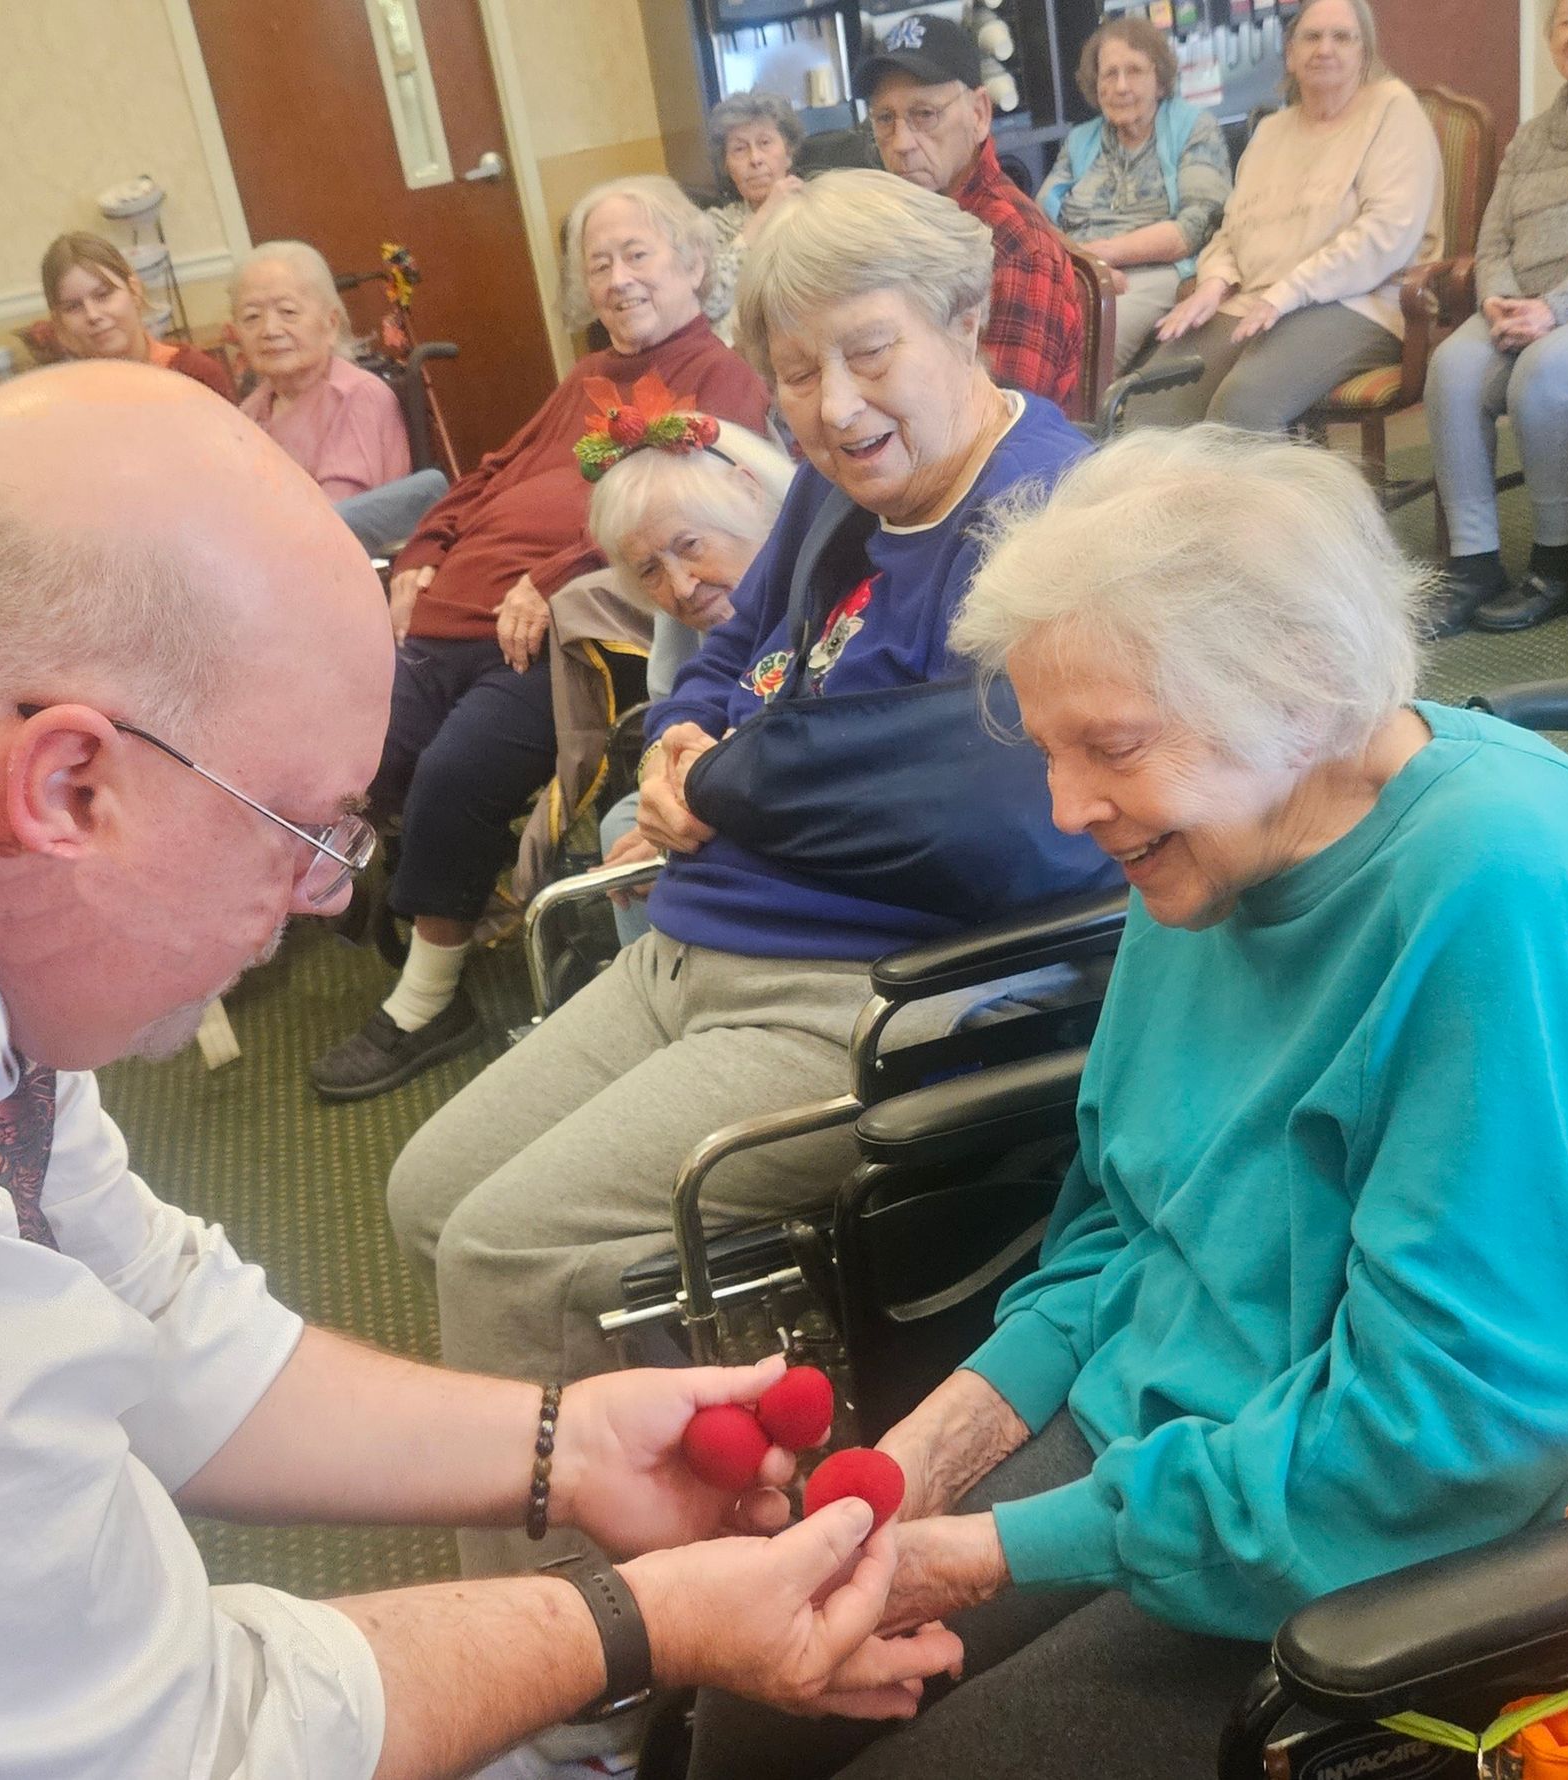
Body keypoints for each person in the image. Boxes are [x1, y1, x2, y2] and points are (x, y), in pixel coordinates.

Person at [0, 360, 960, 1779]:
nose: (319, 898)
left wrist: (566, 1444)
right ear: (70, 786)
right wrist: (637, 1623)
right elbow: (169, 1750)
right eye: (301, 828)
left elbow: (153, 1310)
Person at [683, 424, 1568, 1780]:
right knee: (762, 1683)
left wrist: (992, 1549)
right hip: (1161, 1426)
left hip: (1365, 1511)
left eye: (1108, 746)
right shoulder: (1210, 842)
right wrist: (922, 1457)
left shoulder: (1494, 888)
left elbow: (1444, 1432)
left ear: (1299, 687)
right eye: (1051, 750)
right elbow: (1120, 1228)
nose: (1066, 809)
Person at [385, 177, 1120, 1774]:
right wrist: (689, 735)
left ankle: (573, 1695)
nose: (833, 406)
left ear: (962, 320)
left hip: (873, 997)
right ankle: (640, 1541)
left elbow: (983, 801)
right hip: (695, 936)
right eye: (792, 370)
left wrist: (723, 777)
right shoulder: (839, 499)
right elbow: (718, 661)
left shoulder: (1049, 511)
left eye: (867, 353)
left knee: (511, 1248)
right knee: (427, 1191)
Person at [310, 174, 771, 1102]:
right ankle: (411, 893)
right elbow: (487, 473)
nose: (617, 278)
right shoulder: (588, 377)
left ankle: (431, 1000)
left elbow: (690, 520)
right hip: (448, 616)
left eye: (637, 253)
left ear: (693, 261)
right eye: (599, 264)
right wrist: (422, 556)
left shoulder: (718, 378)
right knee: (352, 757)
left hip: (558, 638)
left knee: (452, 775)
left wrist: (550, 577)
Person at [1131, 0, 1443, 430]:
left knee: (1242, 406)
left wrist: (1289, 291)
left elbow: (1385, 236)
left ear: (1364, 53)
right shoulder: (1270, 131)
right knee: (1150, 400)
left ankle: (1252, 499)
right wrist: (1212, 284)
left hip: (1358, 303)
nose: (1325, 49)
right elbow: (1232, 230)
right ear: (1291, 55)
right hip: (1256, 301)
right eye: (1311, 37)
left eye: (1343, 37)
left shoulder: (1392, 109)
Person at [1424, 0, 1568, 636]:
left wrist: (1554, 309)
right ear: (1550, 38)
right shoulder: (1533, 134)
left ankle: (1560, 564)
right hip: (1525, 301)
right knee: (1451, 367)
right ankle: (1474, 563)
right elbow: (1496, 232)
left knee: (1546, 372)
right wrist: (1497, 299)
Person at [585, 412, 797, 945]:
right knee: (626, 826)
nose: (680, 589)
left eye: (690, 545)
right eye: (649, 571)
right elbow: (683, 703)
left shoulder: (808, 582)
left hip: (792, 794)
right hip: (738, 781)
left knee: (642, 845)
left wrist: (684, 823)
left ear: (747, 496)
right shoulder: (711, 612)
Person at [857, 14, 1084, 409]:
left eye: (924, 114)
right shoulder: (897, 223)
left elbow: (1003, 422)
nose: (901, 143)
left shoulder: (1014, 245)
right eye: (885, 118)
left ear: (979, 113)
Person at [1037, 16, 1232, 372]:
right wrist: (1088, 266)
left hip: (1157, 270)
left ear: (1160, 80)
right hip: (1081, 270)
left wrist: (1104, 256)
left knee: (1086, 343)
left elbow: (1197, 225)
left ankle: (1080, 428)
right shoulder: (1081, 140)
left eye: (1135, 71)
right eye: (1109, 74)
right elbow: (1039, 222)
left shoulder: (1193, 127)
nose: (1121, 86)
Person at [234, 238, 449, 558]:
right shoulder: (249, 411)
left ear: (331, 324)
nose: (269, 329)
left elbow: (336, 520)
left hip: (345, 566)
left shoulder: (356, 397)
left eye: (288, 312)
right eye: (252, 316)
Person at [40, 230, 237, 399]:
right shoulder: (67, 401)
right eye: (73, 307)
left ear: (134, 290)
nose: (92, 315)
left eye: (103, 295)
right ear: (59, 321)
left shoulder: (196, 374)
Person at [700, 92, 806, 345]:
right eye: (739, 149)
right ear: (726, 165)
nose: (755, 159)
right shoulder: (714, 226)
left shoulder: (818, 210)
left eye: (765, 143)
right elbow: (709, 303)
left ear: (788, 152)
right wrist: (764, 216)